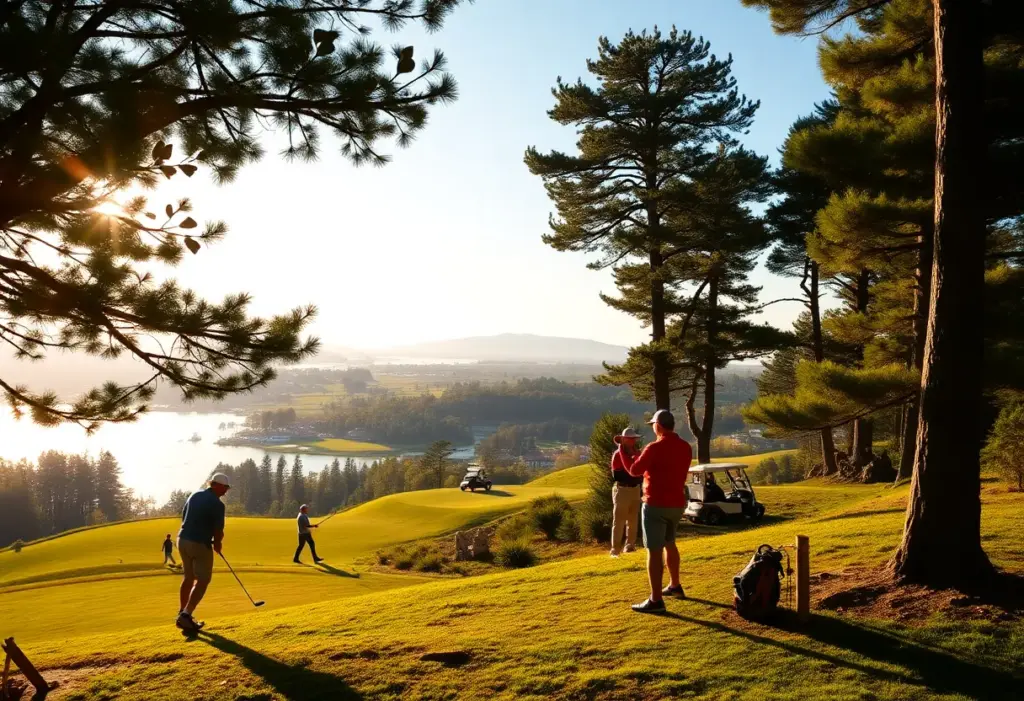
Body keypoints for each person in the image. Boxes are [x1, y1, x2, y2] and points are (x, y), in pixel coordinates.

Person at [625, 409, 693, 613]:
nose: (652, 427)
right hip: (677, 504)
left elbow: (634, 470)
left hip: (655, 504)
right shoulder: (685, 447)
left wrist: (624, 451)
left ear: (659, 426)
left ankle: (655, 600)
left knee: (654, 551)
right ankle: (675, 585)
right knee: (670, 544)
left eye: (653, 424)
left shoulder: (653, 448)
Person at [175, 473, 229, 632]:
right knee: (203, 579)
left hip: (182, 539)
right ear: (217, 485)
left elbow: (184, 516)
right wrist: (217, 544)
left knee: (189, 577)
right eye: (225, 487)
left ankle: (182, 613)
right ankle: (186, 615)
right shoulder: (218, 505)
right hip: (199, 543)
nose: (226, 491)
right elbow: (218, 529)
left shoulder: (195, 494)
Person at [610, 427, 643, 556]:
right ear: (624, 440)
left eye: (633, 438)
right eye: (630, 439)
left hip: (635, 489)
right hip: (622, 489)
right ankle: (615, 549)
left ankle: (630, 545)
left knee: (633, 519)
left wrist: (635, 476)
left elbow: (640, 473)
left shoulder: (637, 453)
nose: (632, 441)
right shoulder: (618, 455)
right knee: (619, 520)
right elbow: (617, 476)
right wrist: (634, 475)